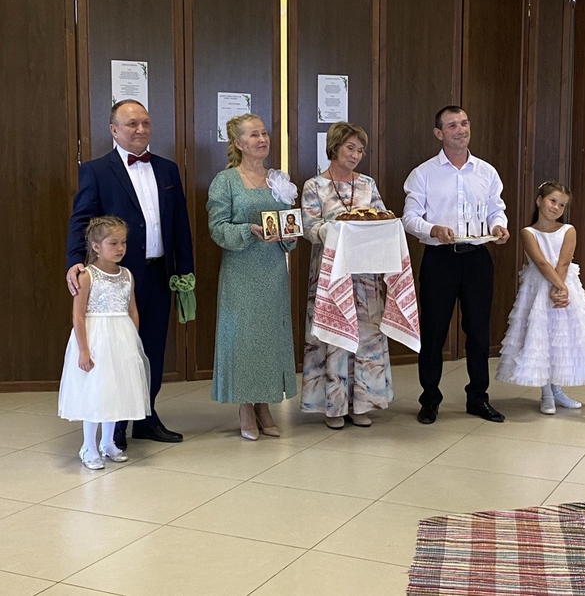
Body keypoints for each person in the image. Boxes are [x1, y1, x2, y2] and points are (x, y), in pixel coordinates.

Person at [66, 99, 194, 450]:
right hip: (115, 279)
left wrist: (185, 270)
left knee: (151, 348)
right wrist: (74, 261)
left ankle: (146, 417)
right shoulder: (96, 170)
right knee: (116, 353)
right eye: (132, 124)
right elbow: (81, 220)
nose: (140, 129)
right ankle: (116, 426)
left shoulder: (167, 169)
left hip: (158, 274)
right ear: (114, 130)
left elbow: (179, 224)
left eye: (145, 123)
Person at [402, 105, 510, 424]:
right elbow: (409, 218)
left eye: (464, 123)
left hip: (478, 258)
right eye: (452, 126)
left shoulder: (487, 172)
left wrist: (499, 226)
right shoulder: (423, 174)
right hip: (440, 259)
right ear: (439, 133)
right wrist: (433, 229)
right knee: (434, 332)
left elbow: (496, 210)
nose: (461, 130)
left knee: (478, 332)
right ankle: (429, 399)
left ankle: (478, 398)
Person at [207, 113, 298, 440]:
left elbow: (289, 224)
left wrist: (289, 233)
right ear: (238, 143)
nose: (262, 139)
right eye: (254, 135)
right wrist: (249, 230)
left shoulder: (278, 179)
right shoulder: (226, 181)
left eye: (264, 133)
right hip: (241, 271)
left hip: (272, 270)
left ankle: (265, 405)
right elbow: (217, 228)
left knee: (270, 336)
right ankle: (245, 406)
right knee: (244, 337)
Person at [301, 121, 393, 429]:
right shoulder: (314, 186)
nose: (355, 155)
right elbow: (309, 229)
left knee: (365, 338)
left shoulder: (367, 184)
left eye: (360, 150)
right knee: (334, 336)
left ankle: (362, 404)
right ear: (334, 148)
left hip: (365, 276)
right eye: (350, 148)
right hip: (330, 274)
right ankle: (334, 406)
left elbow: (382, 217)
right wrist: (337, 230)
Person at [495, 181, 585, 413]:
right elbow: (542, 263)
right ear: (539, 200)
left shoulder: (568, 230)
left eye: (562, 205)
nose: (556, 207)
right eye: (552, 201)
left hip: (564, 288)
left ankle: (558, 391)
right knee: (540, 338)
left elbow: (563, 262)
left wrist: (560, 289)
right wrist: (558, 287)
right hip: (538, 289)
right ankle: (546, 394)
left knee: (560, 338)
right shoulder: (528, 232)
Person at [59, 216, 150, 469]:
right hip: (96, 339)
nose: (120, 248)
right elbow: (78, 315)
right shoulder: (87, 276)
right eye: (113, 243)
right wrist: (84, 350)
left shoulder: (127, 275)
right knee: (96, 391)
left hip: (120, 340)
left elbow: (132, 310)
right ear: (96, 246)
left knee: (114, 391)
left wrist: (132, 341)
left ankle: (108, 442)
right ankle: (88, 445)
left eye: (123, 242)